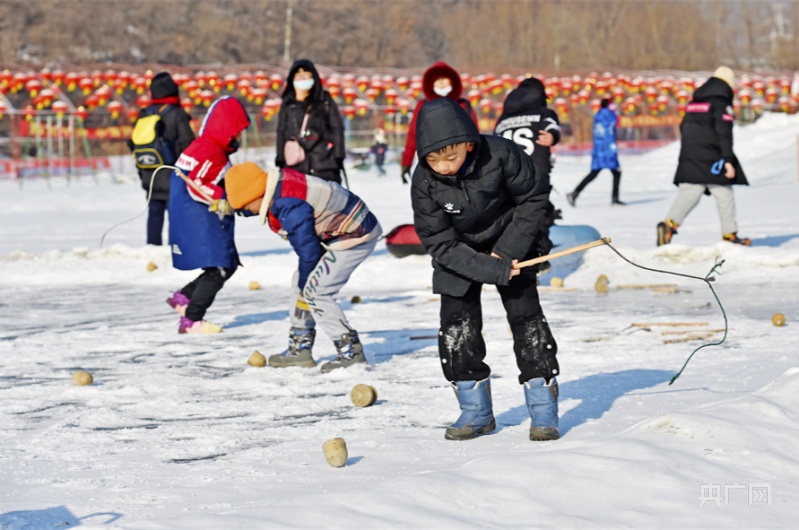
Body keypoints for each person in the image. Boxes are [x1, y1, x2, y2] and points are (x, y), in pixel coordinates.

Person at [410, 98, 560, 442]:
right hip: (458, 251)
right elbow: (438, 240)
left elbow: (534, 199)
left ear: (467, 143)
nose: (444, 167)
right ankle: (476, 412)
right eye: (434, 160)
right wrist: (484, 266)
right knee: (456, 327)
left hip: (514, 240)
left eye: (451, 157)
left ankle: (543, 411)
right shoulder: (424, 181)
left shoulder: (502, 154)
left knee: (527, 321)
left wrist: (506, 253)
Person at [224, 162, 382, 373]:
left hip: (355, 234)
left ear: (255, 196)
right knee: (301, 283)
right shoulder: (277, 188)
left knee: (316, 291)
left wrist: (304, 284)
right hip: (338, 232)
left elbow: (309, 253)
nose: (244, 213)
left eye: (243, 209)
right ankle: (300, 347)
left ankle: (351, 352)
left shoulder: (288, 203)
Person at [165, 96, 251, 334]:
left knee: (222, 265)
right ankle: (192, 319)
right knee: (222, 266)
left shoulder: (203, 145)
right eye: (237, 132)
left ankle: (183, 298)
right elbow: (197, 183)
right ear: (227, 129)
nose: (239, 138)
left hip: (189, 214)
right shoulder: (211, 151)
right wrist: (224, 200)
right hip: (200, 217)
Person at [657, 66, 750, 246]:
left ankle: (668, 225)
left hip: (689, 153)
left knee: (691, 190)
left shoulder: (695, 102)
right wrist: (728, 161)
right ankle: (730, 235)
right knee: (723, 191)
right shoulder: (721, 103)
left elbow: (684, 127)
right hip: (712, 155)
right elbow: (724, 133)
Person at [494, 76, 563, 262]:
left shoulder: (504, 118)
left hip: (506, 176)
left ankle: (510, 254)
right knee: (538, 213)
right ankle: (538, 258)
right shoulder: (543, 112)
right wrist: (552, 136)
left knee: (513, 215)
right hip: (535, 173)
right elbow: (551, 127)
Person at [134, 72, 195, 246]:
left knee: (154, 213)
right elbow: (188, 143)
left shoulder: (145, 113)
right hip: (172, 172)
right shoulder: (177, 114)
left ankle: (152, 247)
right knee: (175, 213)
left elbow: (134, 142)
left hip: (149, 172)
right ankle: (174, 247)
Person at [400, 61, 478, 185]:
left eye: (444, 79)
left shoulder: (463, 105)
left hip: (462, 163)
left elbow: (475, 136)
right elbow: (414, 134)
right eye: (437, 80)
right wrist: (406, 162)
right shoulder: (423, 106)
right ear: (431, 84)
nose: (441, 83)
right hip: (435, 164)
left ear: (452, 81)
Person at [275, 59, 346, 184]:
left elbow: (337, 127)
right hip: (295, 163)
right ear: (292, 79)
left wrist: (338, 155)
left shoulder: (324, 99)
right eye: (299, 75)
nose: (303, 79)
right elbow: (281, 131)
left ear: (314, 77)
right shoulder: (287, 103)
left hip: (324, 162)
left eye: (306, 75)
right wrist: (280, 158)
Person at [566, 98, 624, 206]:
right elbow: (610, 133)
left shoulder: (598, 115)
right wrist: (612, 148)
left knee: (595, 173)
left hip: (598, 150)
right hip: (607, 150)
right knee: (617, 172)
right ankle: (615, 199)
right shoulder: (610, 117)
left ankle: (574, 193)